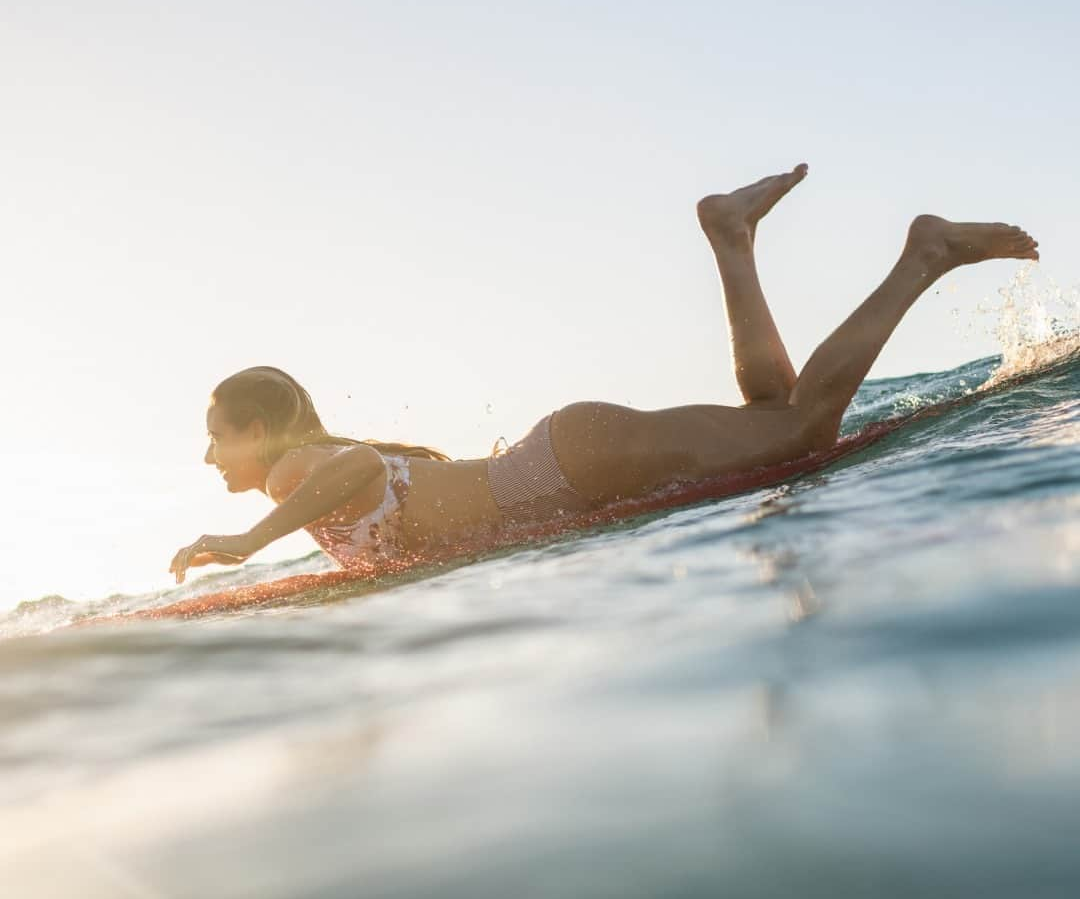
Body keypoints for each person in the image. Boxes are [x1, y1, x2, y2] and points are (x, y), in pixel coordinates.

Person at [170, 164, 1038, 583]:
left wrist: (248, 543)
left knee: (805, 430)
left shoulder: (296, 467)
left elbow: (357, 468)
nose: (212, 460)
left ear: (258, 430)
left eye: (216, 438)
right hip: (566, 456)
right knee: (773, 413)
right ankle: (731, 237)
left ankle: (925, 255)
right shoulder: (301, 478)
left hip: (570, 467)